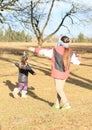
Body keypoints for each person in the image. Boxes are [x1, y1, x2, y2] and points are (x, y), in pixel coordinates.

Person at [28, 36, 81, 110]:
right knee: (60, 89)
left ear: (60, 42)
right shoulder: (71, 51)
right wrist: (78, 57)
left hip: (57, 72)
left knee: (59, 89)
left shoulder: (55, 50)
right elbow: (77, 62)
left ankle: (66, 104)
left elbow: (44, 52)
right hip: (65, 73)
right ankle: (56, 104)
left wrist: (34, 49)